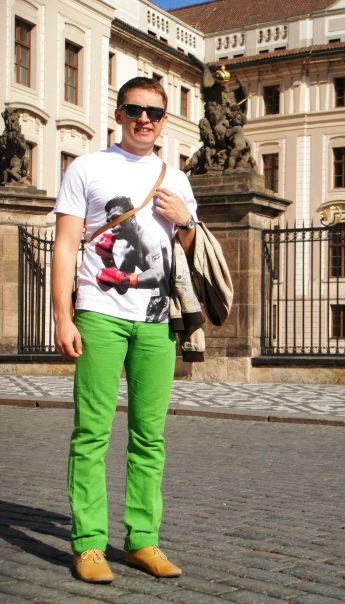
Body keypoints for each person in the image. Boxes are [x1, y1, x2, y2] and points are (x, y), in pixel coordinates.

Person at [51, 76, 197, 584]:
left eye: (154, 113)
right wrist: (63, 316)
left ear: (164, 121)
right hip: (100, 314)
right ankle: (89, 544)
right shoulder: (87, 168)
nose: (144, 120)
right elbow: (65, 245)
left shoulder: (176, 179)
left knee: (149, 437)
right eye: (135, 110)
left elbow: (190, 251)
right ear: (119, 114)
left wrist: (186, 220)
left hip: (156, 321)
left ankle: (142, 541)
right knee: (92, 433)